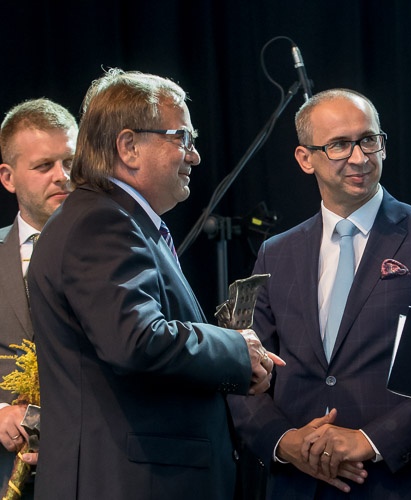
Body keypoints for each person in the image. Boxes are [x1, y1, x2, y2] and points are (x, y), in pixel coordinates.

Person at [26, 69, 283, 500]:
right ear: (128, 146)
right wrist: (237, 350)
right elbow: (137, 340)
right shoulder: (101, 222)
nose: (194, 155)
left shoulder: (116, 220)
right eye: (182, 137)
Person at [228, 88, 411, 499]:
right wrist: (284, 441)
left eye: (369, 140)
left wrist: (370, 440)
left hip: (396, 484)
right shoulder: (276, 252)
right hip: (297, 485)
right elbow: (242, 367)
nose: (360, 157)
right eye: (339, 145)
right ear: (305, 158)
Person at [0, 98, 76, 495]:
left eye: (71, 162)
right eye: (44, 166)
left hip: (90, 470)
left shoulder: (118, 255)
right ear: (8, 177)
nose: (62, 176)